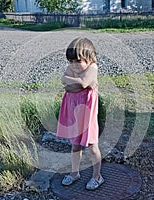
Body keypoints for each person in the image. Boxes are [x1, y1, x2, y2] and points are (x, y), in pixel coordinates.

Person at [56, 37, 104, 190]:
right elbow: (64, 81)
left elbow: (83, 83)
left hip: (87, 113)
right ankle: (75, 172)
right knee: (75, 144)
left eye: (77, 61)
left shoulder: (93, 67)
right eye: (70, 62)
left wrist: (75, 84)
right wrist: (74, 83)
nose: (73, 65)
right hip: (74, 111)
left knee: (91, 145)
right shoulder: (74, 68)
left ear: (88, 57)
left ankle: (97, 176)